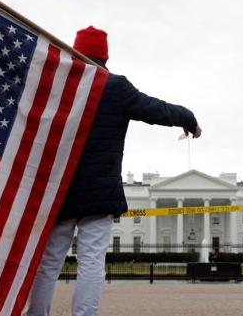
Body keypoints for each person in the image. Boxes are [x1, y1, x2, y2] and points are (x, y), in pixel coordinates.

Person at [24, 26, 201, 316]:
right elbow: (156, 109)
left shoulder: (63, 85)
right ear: (105, 56)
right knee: (91, 261)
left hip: (62, 188)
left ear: (75, 51)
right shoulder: (116, 87)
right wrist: (188, 118)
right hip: (100, 192)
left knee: (50, 261)